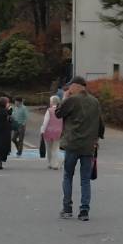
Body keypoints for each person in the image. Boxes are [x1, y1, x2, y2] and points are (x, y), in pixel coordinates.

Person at [56, 76, 103, 220]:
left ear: (76, 86)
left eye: (70, 86)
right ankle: (84, 211)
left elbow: (58, 113)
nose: (69, 89)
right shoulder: (95, 101)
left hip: (72, 144)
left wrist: (64, 98)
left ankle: (67, 209)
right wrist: (97, 138)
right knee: (85, 179)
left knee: (68, 175)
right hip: (88, 146)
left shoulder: (72, 100)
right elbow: (100, 124)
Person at [41, 96, 64, 168]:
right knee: (56, 148)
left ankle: (50, 163)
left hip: (48, 131)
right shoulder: (61, 111)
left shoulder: (49, 110)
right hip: (58, 131)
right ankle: (55, 164)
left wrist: (42, 130)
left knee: (49, 148)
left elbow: (45, 121)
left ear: (52, 102)